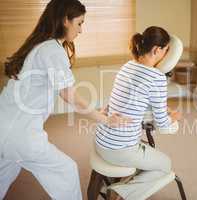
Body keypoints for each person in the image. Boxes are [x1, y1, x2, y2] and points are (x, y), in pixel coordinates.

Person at [0, 0, 129, 199]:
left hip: (5, 125)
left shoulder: (40, 46)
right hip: (20, 134)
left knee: (5, 171)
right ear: (65, 21)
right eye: (79, 23)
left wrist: (96, 111)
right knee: (66, 171)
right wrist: (104, 119)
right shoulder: (52, 50)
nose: (81, 30)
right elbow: (69, 96)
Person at [95, 26, 181, 200]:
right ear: (157, 50)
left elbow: (134, 99)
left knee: (150, 157)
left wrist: (160, 108)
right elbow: (163, 125)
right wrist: (173, 116)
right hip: (120, 149)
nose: (166, 55)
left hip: (101, 140)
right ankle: (119, 192)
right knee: (165, 165)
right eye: (166, 51)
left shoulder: (128, 65)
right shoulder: (156, 77)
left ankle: (123, 184)